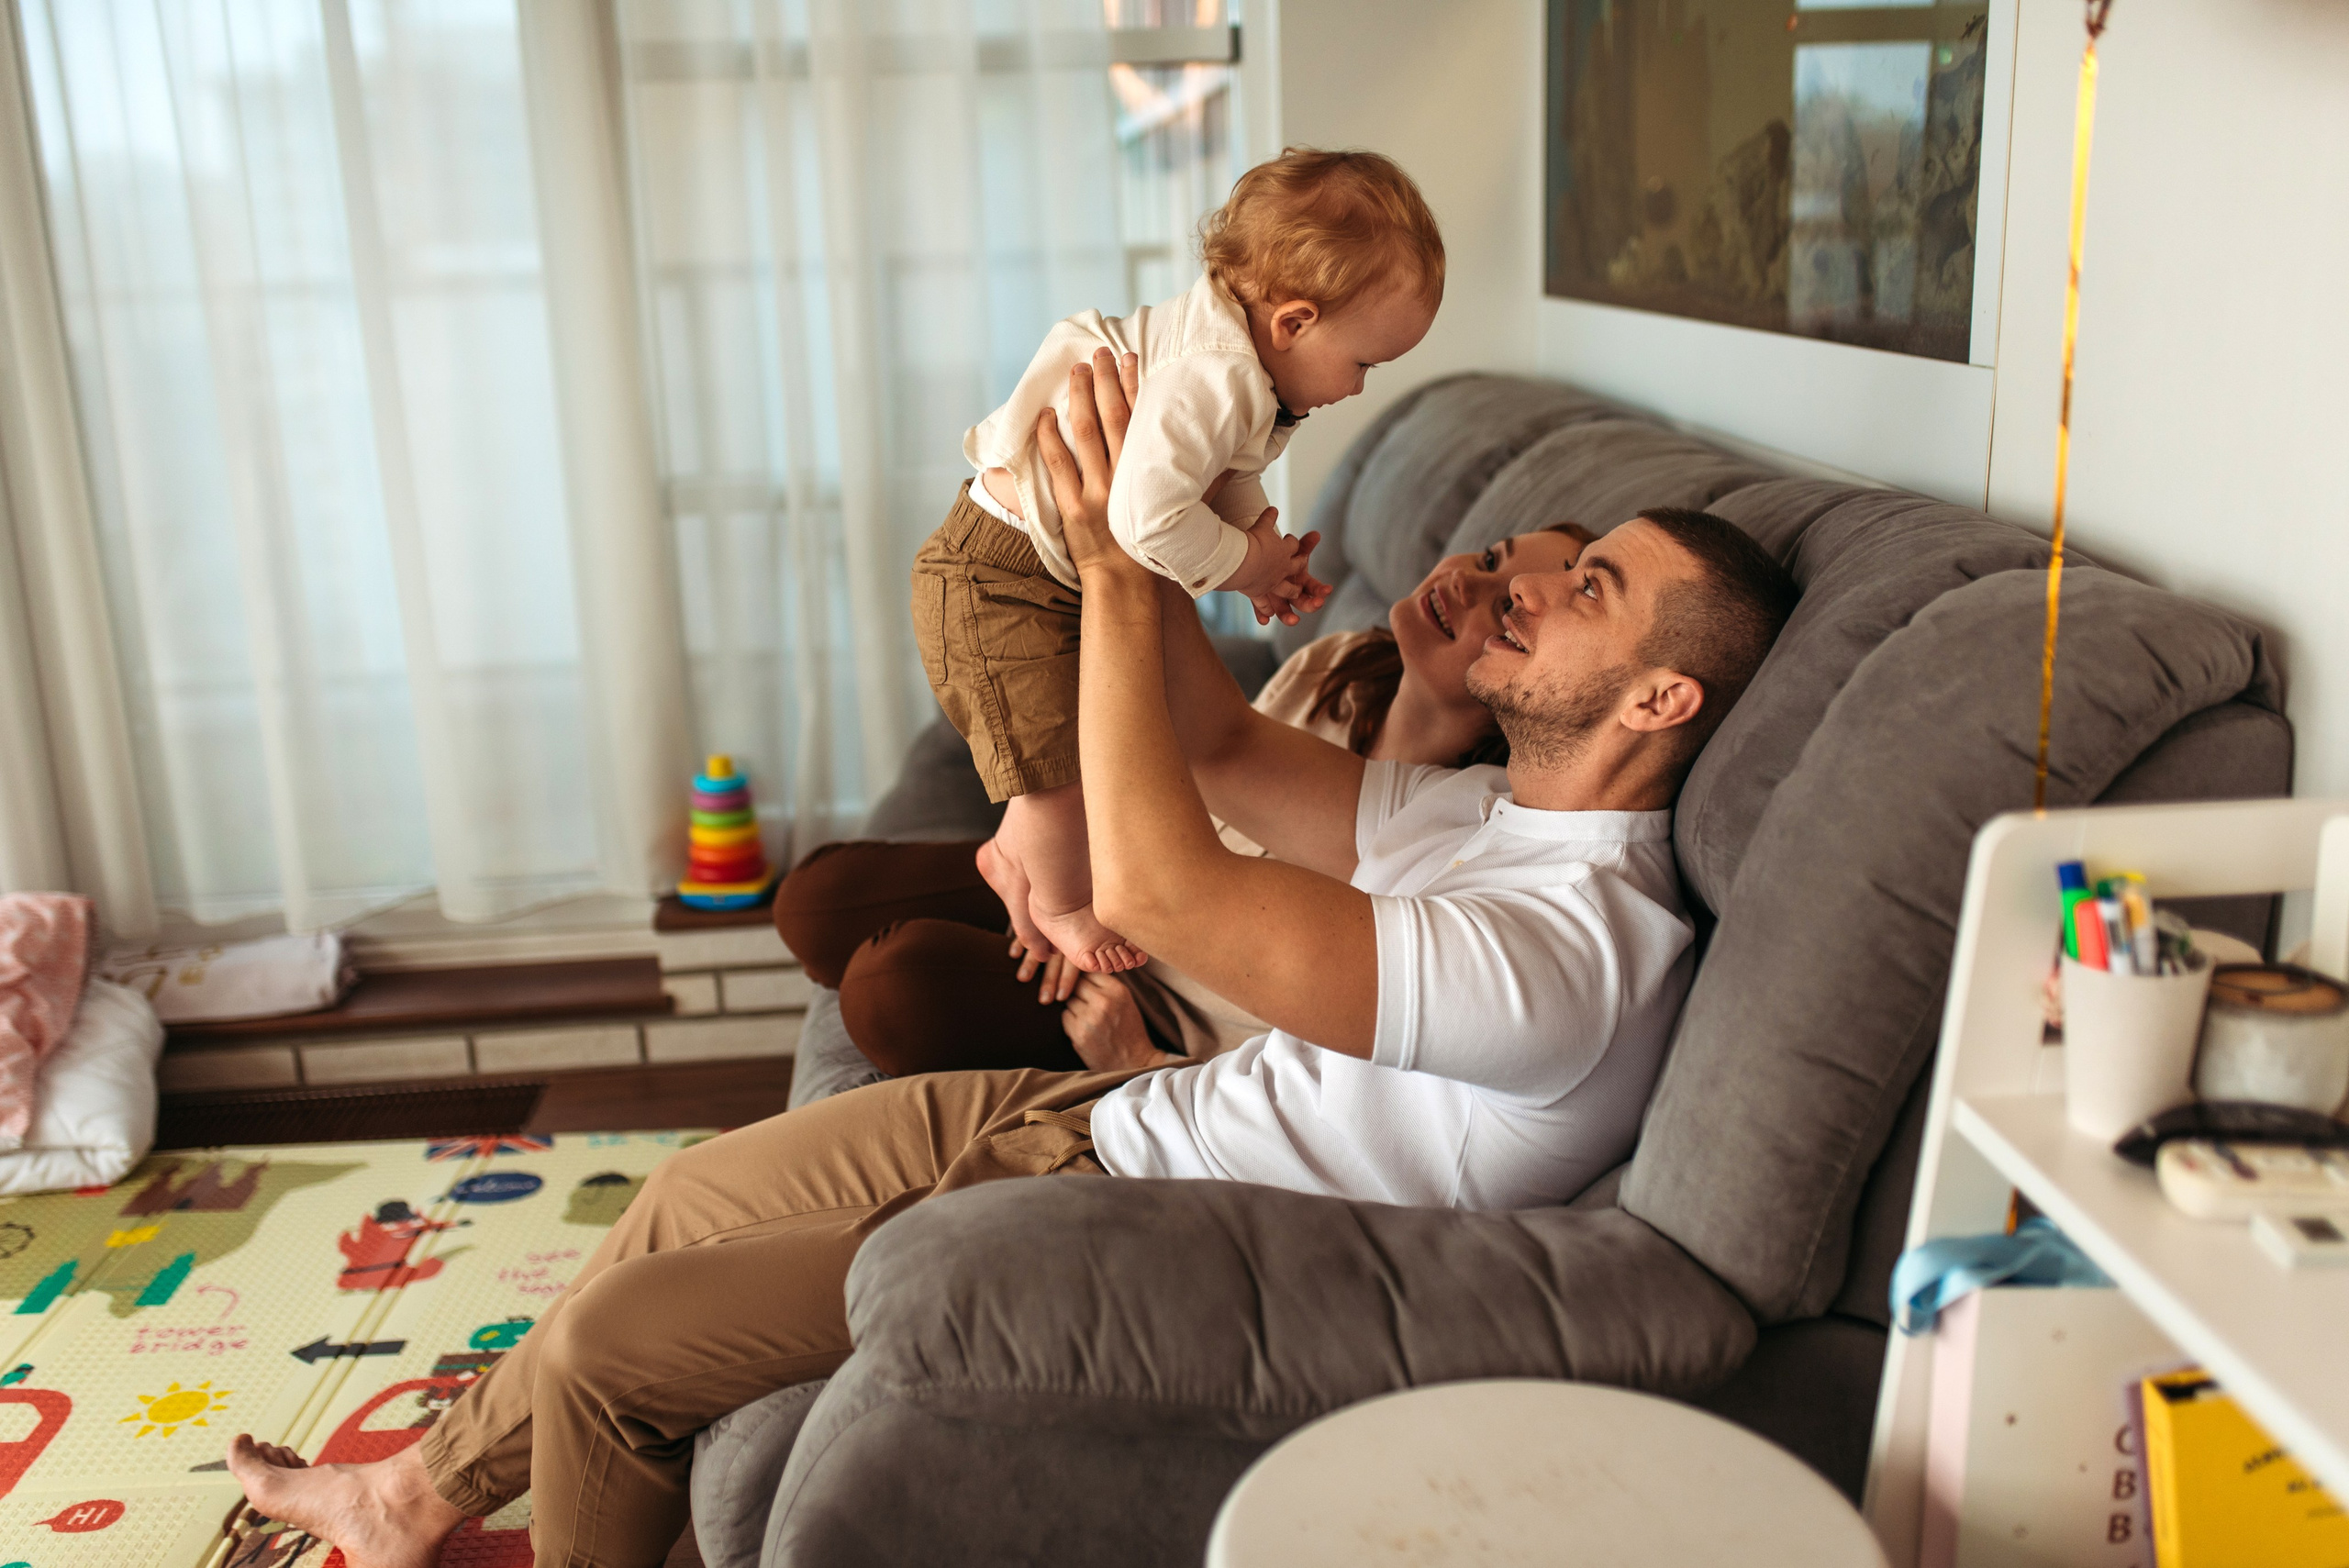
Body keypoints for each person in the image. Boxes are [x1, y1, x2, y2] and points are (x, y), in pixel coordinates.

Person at [223, 359, 1797, 1568]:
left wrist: (1118, 575)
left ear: (1660, 701)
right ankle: (404, 1494)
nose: (1524, 578)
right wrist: (1166, 483)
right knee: (676, 1200)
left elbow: (1168, 892)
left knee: (607, 1353)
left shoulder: (1561, 955)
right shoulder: (1484, 815)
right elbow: (1213, 740)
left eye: (1588, 589)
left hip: (1127, 1222)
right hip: (1110, 1124)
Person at [781, 349, 1591, 1078]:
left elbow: (1320, 1042)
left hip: (1153, 999)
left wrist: (1141, 1059)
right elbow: (1196, 745)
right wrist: (1151, 502)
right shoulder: (1336, 664)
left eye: (1506, 606)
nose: (1468, 583)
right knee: (811, 901)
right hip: (1106, 865)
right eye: (1489, 558)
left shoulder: (1444, 837)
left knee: (894, 988)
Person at [919, 147, 1443, 974]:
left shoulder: (1237, 369)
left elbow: (1217, 480)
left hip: (1035, 568)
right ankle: (1059, 903)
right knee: (1060, 773)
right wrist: (1241, 563)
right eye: (1365, 362)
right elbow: (1146, 517)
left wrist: (1261, 561)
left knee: (1082, 759)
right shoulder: (1222, 377)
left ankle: (1013, 854)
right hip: (1004, 578)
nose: (1359, 388)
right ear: (1295, 323)